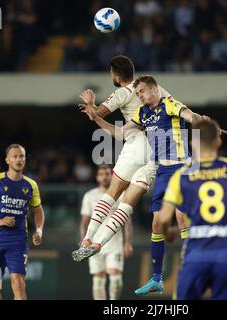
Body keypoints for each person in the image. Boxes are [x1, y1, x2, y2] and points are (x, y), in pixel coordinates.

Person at [76, 75, 211, 296]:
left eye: (141, 92)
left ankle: (194, 270)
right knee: (157, 224)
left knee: (181, 217)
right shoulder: (143, 114)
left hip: (182, 168)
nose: (139, 96)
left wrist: (199, 119)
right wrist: (96, 118)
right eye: (137, 93)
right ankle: (157, 279)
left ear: (154, 89)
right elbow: (119, 133)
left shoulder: (169, 104)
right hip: (162, 171)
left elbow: (189, 115)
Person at [158, 118, 227, 299]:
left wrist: (167, 232)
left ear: (192, 142)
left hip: (195, 256)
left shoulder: (181, 175)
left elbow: (163, 219)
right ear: (218, 141)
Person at [0, 144, 45, 300]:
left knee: (19, 284)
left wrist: (39, 230)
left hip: (17, 241)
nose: (19, 159)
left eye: (21, 156)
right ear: (7, 159)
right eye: (15, 156)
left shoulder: (31, 185)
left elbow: (38, 210)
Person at [80, 165, 133, 300]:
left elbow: (127, 222)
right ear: (97, 177)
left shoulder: (121, 195)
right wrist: (83, 242)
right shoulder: (90, 195)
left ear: (112, 175)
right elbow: (84, 222)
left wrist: (128, 243)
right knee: (98, 278)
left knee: (115, 278)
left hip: (114, 244)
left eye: (108, 173)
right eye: (101, 174)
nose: (104, 177)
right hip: (93, 244)